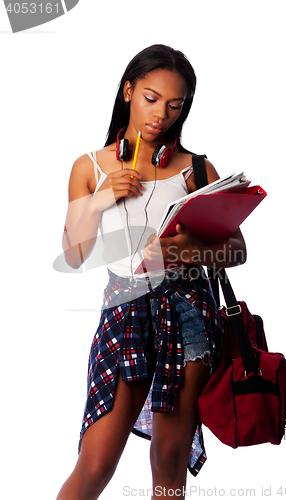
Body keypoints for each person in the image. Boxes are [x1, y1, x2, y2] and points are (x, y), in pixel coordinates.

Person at [56, 44, 246, 500]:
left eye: (175, 105)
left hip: (189, 317)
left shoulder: (197, 170)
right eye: (151, 98)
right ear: (128, 91)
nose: (161, 114)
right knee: (95, 465)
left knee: (168, 462)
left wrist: (186, 251)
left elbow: (236, 251)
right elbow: (75, 254)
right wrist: (101, 200)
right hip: (124, 313)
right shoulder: (90, 167)